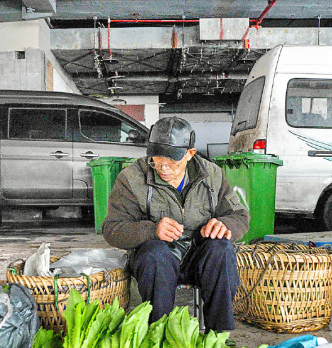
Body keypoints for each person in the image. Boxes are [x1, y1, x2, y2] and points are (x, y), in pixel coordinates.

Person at [102, 116, 250, 331]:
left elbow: (239, 216)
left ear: (190, 154)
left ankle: (219, 335)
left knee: (221, 248)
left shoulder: (213, 175)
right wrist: (151, 230)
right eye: (156, 161)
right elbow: (112, 229)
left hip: (200, 258)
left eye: (172, 163)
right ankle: (158, 333)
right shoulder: (131, 178)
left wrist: (225, 224)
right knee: (155, 254)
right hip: (155, 262)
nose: (164, 169)